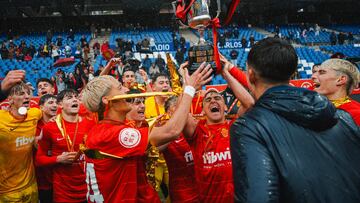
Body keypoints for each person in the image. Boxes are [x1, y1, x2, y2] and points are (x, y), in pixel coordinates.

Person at [230, 37, 360, 203]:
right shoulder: (343, 118)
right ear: (292, 74)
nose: (315, 76)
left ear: (251, 75)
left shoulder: (249, 127)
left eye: (322, 72)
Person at [80, 62, 212, 202]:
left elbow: (158, 144)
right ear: (107, 100)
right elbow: (172, 131)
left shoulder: (109, 129)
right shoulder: (112, 134)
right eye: (120, 88)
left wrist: (185, 88)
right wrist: (189, 90)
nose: (126, 90)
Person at [182, 60, 254, 202]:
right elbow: (181, 111)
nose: (213, 101)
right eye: (208, 100)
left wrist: (225, 73)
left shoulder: (235, 127)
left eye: (217, 98)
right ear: (202, 110)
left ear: (226, 107)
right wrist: (187, 82)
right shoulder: (197, 130)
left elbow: (250, 103)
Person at [36, 89, 95, 203]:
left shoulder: (90, 124)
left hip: (88, 188)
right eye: (69, 98)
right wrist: (58, 159)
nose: (74, 99)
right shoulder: (50, 128)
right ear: (60, 105)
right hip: (63, 192)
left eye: (76, 97)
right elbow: (39, 160)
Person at [0, 83, 42, 202]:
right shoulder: (1, 118)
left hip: (31, 186)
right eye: (21, 94)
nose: (27, 97)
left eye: (28, 93)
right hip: (7, 191)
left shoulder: (34, 114)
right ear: (9, 99)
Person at [311, 58, 360, 125]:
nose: (313, 76)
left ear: (340, 80)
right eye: (314, 72)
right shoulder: (310, 105)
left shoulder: (356, 115)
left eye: (322, 72)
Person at [35, 94, 58, 203]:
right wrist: (47, 127)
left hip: (59, 179)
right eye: (50, 103)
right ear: (41, 107)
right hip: (42, 179)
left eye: (56, 103)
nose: (55, 105)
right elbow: (34, 145)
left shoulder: (61, 122)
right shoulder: (33, 125)